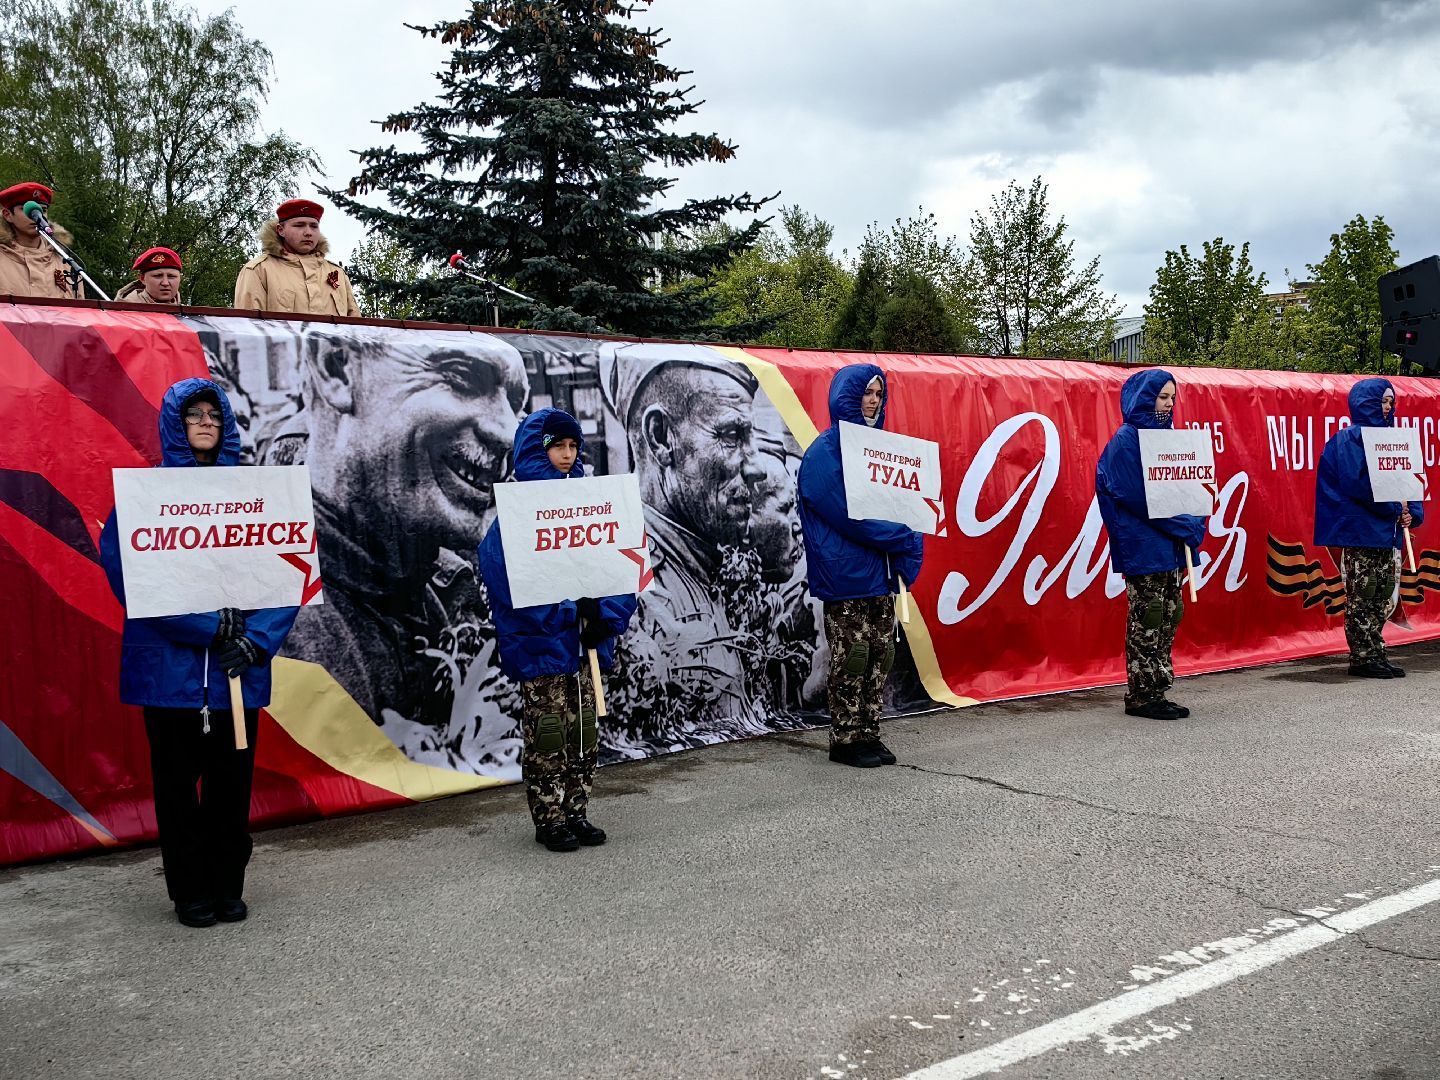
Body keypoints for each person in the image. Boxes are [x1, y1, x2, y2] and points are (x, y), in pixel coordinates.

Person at [99, 377, 299, 928]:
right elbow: (130, 574)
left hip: (237, 671)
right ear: (176, 425)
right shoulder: (147, 496)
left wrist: (255, 640)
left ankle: (227, 885)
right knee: (177, 793)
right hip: (171, 676)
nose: (206, 421)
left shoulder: (253, 494)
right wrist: (206, 627)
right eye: (194, 414)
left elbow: (291, 568)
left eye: (214, 412)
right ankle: (190, 891)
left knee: (231, 789)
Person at [271, 326, 529, 732]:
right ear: (336, 369)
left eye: (515, 404)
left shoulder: (439, 588)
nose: (508, 433)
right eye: (463, 378)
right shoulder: (276, 616)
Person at [477, 409, 637, 851]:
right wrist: (570, 610)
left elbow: (622, 561)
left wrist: (605, 614)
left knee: (584, 728)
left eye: (572, 447)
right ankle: (549, 818)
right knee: (549, 731)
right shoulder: (515, 516)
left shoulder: (589, 503)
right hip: (542, 647)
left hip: (585, 647)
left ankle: (577, 810)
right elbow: (508, 580)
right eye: (557, 446)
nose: (567, 456)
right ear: (536, 449)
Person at [796, 364, 924, 768]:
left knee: (879, 656)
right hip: (845, 576)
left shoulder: (881, 450)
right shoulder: (824, 453)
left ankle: (869, 730)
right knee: (853, 655)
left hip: (879, 574)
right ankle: (845, 737)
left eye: (878, 393)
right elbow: (853, 515)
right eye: (866, 392)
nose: (873, 400)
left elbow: (906, 506)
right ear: (846, 397)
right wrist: (903, 537)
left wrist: (909, 539)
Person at [1095, 368, 1207, 720]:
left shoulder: (1170, 438)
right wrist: (1185, 525)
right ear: (1145, 398)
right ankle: (1142, 694)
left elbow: (1186, 488)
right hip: (1145, 546)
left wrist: (1195, 518)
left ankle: (1158, 688)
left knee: (1170, 614)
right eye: (1163, 397)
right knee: (1149, 616)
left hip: (1171, 546)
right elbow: (1142, 499)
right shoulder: (1126, 441)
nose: (1169, 404)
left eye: (1173, 397)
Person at [1314, 378, 1425, 678]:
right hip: (1361, 531)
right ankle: (1362, 656)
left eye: (1391, 401)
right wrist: (1393, 508)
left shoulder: (1395, 439)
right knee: (1364, 593)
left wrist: (1412, 512)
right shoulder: (1349, 440)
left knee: (1382, 593)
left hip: (1386, 532)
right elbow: (1357, 485)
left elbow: (1411, 478)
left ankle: (1376, 650)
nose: (1388, 407)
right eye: (1383, 401)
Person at [233, 198, 359, 317]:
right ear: (280, 230)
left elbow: (356, 328)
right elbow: (248, 329)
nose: (308, 232)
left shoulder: (337, 273)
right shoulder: (258, 270)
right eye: (299, 225)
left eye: (314, 226)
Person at [0, 182, 81, 299]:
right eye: (27, 210)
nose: (36, 216)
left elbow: (81, 313)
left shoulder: (66, 262)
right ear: (8, 215)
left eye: (42, 210)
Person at [115, 246, 182, 304]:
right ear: (142, 278)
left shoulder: (187, 315)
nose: (165, 283)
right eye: (158, 276)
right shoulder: (122, 313)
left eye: (171, 276)